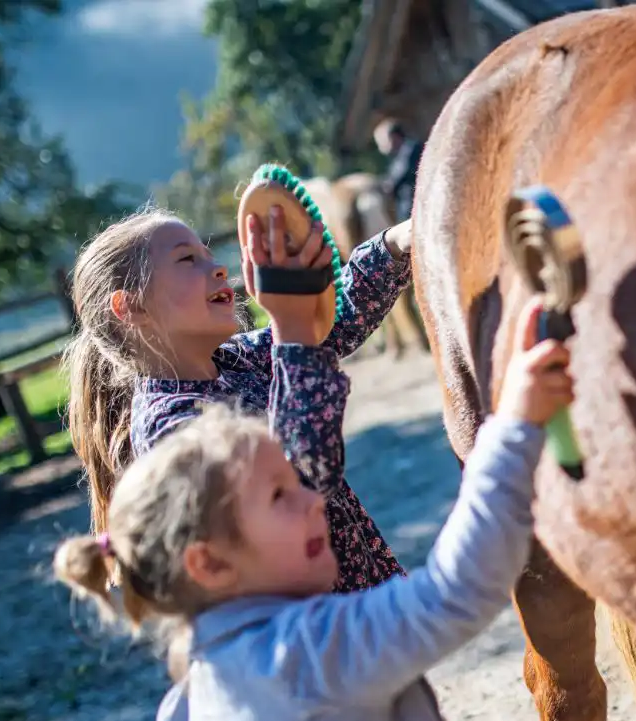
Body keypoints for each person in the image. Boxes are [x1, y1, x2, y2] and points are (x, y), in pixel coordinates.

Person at [52, 299, 573, 721]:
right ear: (211, 562)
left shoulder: (183, 718)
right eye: (281, 495)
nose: (312, 501)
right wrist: (513, 430)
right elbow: (454, 593)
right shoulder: (309, 650)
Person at [62, 201, 413, 596]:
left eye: (209, 255)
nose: (217, 268)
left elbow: (328, 326)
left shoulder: (236, 359)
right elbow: (301, 479)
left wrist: (395, 244)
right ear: (132, 307)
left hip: (356, 601)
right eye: (187, 260)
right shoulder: (169, 426)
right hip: (304, 633)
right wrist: (289, 327)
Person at [375, 118, 423, 221]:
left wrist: (382, 186)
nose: (381, 147)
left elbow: (396, 179)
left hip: (416, 211)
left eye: (382, 141)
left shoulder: (411, 150)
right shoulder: (398, 156)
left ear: (393, 136)